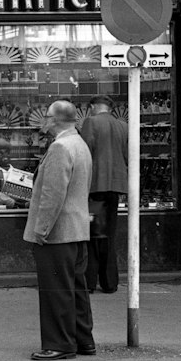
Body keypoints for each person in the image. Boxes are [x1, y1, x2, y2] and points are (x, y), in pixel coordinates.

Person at [23, 99, 95, 361]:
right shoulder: (79, 144)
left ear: (53, 120)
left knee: (56, 291)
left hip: (57, 233)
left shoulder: (59, 148)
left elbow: (52, 196)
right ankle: (83, 340)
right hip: (76, 228)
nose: (43, 120)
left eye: (46, 116)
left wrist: (40, 231)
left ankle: (60, 344)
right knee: (76, 289)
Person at [78, 95, 130, 294]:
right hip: (115, 187)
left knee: (91, 235)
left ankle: (90, 282)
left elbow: (85, 153)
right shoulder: (122, 126)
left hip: (94, 186)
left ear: (93, 107)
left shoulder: (90, 122)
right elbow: (127, 155)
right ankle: (110, 282)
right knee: (109, 234)